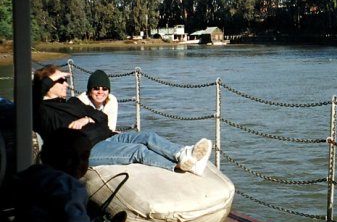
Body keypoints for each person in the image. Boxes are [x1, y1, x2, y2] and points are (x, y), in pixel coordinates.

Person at [33, 64, 211, 176]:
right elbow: (33, 98)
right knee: (139, 151)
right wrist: (48, 79)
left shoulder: (73, 102)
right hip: (88, 150)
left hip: (107, 136)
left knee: (148, 136)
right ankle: (180, 168)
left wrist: (87, 118)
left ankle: (184, 154)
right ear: (47, 85)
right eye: (61, 80)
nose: (66, 83)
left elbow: (102, 118)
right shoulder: (42, 112)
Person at [12, 128, 106, 222]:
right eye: (69, 156)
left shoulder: (29, 176)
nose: (78, 163)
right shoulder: (69, 187)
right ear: (48, 155)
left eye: (84, 157)